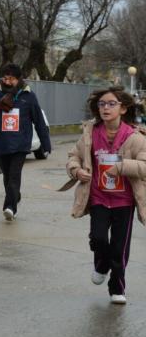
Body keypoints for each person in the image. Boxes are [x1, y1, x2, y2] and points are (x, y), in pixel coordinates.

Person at [64, 86, 146, 305]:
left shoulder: (134, 137)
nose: (106, 108)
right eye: (102, 104)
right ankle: (100, 265)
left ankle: (117, 288)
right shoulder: (91, 134)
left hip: (123, 201)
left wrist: (120, 166)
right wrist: (76, 170)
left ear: (123, 108)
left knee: (119, 248)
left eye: (111, 104)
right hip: (99, 197)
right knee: (99, 238)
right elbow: (74, 156)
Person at [0, 63, 50, 221]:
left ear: (18, 79)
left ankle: (9, 207)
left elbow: (38, 120)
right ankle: (15, 196)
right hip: (2, 143)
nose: (7, 81)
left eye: (11, 79)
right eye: (4, 78)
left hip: (21, 144)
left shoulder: (28, 96)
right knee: (7, 177)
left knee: (14, 176)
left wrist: (46, 144)